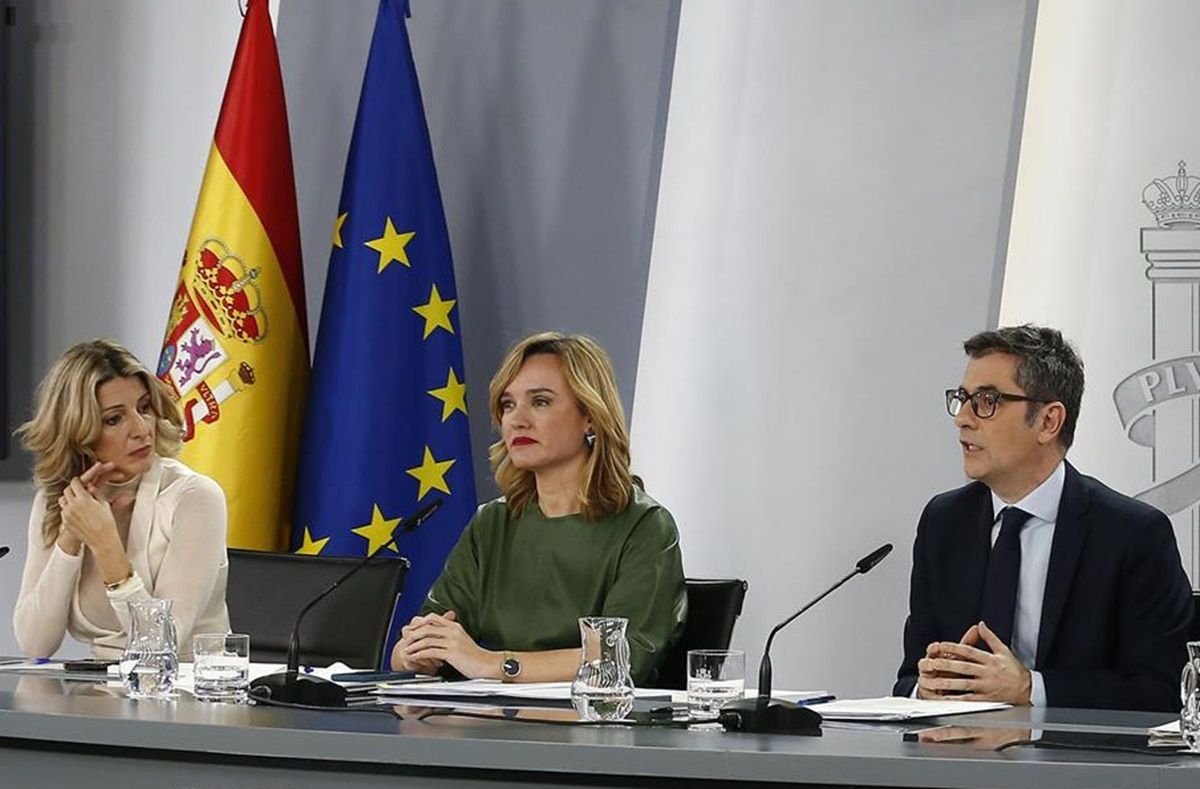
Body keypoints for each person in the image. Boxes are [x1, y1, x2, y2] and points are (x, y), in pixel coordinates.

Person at [893, 325, 1193, 712]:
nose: (963, 419)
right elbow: (908, 677)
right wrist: (925, 690)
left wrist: (1030, 689)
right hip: (956, 760)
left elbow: (1163, 691)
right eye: (962, 398)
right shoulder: (945, 522)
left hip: (1076, 766)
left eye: (987, 401)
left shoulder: (1132, 534)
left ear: (1049, 422)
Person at [390, 332, 686, 685]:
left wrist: (491, 664)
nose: (517, 420)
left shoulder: (645, 525)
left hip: (595, 729)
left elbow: (621, 659)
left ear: (590, 415)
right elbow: (422, 639)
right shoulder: (493, 522)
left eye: (541, 402)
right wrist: (416, 653)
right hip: (491, 727)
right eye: (508, 404)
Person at [12, 339, 229, 660]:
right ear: (77, 431)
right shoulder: (55, 501)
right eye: (115, 419)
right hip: (101, 696)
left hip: (189, 694)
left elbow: (161, 646)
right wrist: (70, 537)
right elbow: (35, 644)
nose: (142, 429)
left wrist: (106, 545)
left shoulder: (195, 497)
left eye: (144, 408)